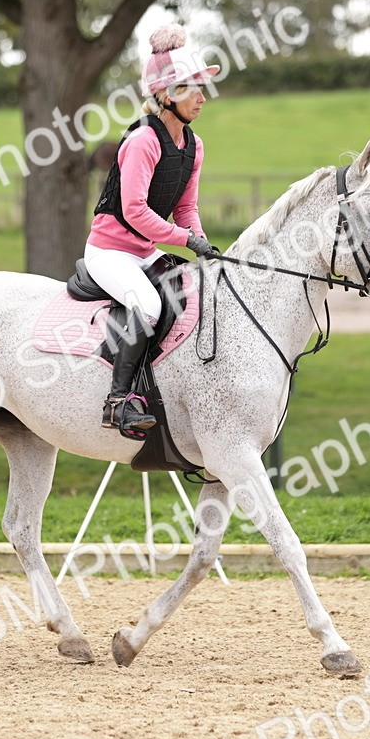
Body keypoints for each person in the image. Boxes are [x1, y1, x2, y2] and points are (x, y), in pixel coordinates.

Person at [87, 24, 219, 439]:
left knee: (190, 292)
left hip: (144, 252)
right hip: (110, 252)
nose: (201, 96)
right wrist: (185, 240)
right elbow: (135, 211)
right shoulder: (143, 140)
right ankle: (118, 402)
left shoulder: (194, 146)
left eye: (202, 87)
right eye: (191, 88)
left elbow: (186, 208)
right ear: (165, 95)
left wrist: (201, 244)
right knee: (146, 303)